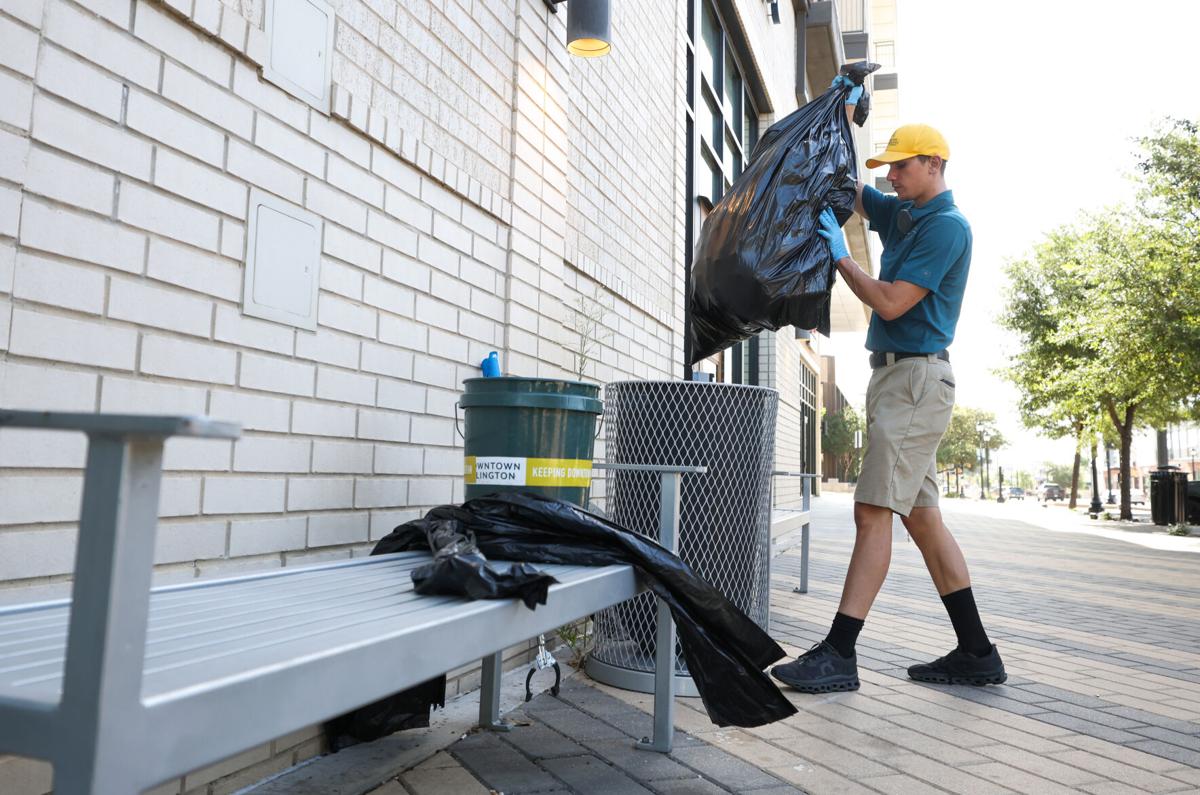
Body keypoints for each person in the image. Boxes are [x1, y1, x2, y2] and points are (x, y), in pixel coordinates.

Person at [770, 79, 1006, 693]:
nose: (893, 176)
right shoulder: (903, 210)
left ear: (934, 164)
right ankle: (977, 652)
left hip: (915, 379)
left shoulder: (948, 227)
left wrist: (841, 256)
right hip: (899, 378)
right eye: (891, 167)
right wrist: (839, 114)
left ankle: (840, 654)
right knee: (923, 519)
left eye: (902, 167)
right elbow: (851, 189)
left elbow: (893, 303)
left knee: (872, 511)